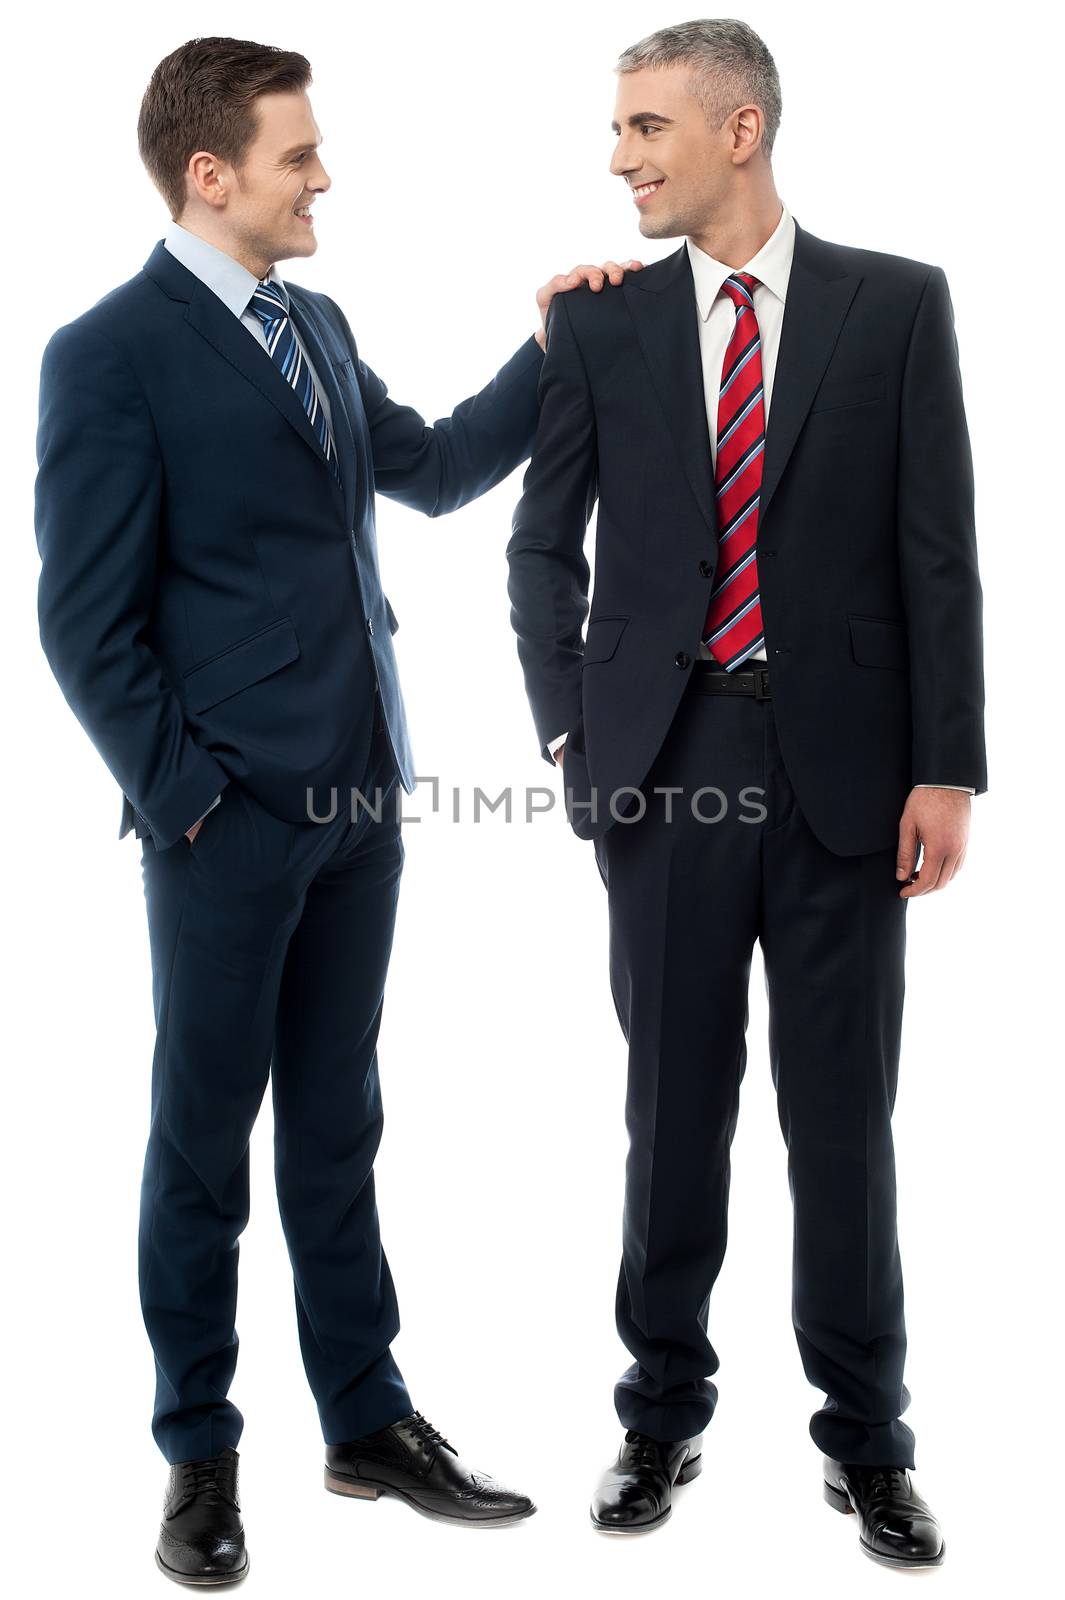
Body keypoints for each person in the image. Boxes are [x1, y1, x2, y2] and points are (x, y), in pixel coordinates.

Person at [34, 34, 640, 1586]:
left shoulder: (315, 322)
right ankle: (197, 1454)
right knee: (199, 1149)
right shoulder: (108, 355)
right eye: (300, 157)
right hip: (226, 820)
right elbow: (84, 627)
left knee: (339, 1127)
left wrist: (551, 346)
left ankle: (363, 1420)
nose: (326, 180)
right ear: (210, 174)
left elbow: (429, 473)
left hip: (364, 794)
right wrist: (188, 808)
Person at [507, 17, 985, 1565]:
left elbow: (938, 556)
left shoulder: (895, 305)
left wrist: (946, 769)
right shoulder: (597, 325)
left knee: (842, 1124)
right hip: (663, 767)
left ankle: (869, 1442)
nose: (616, 157)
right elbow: (538, 549)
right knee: (672, 1114)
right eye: (616, 129)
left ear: (739, 130)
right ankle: (659, 1416)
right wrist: (571, 733)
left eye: (645, 127)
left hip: (849, 777)